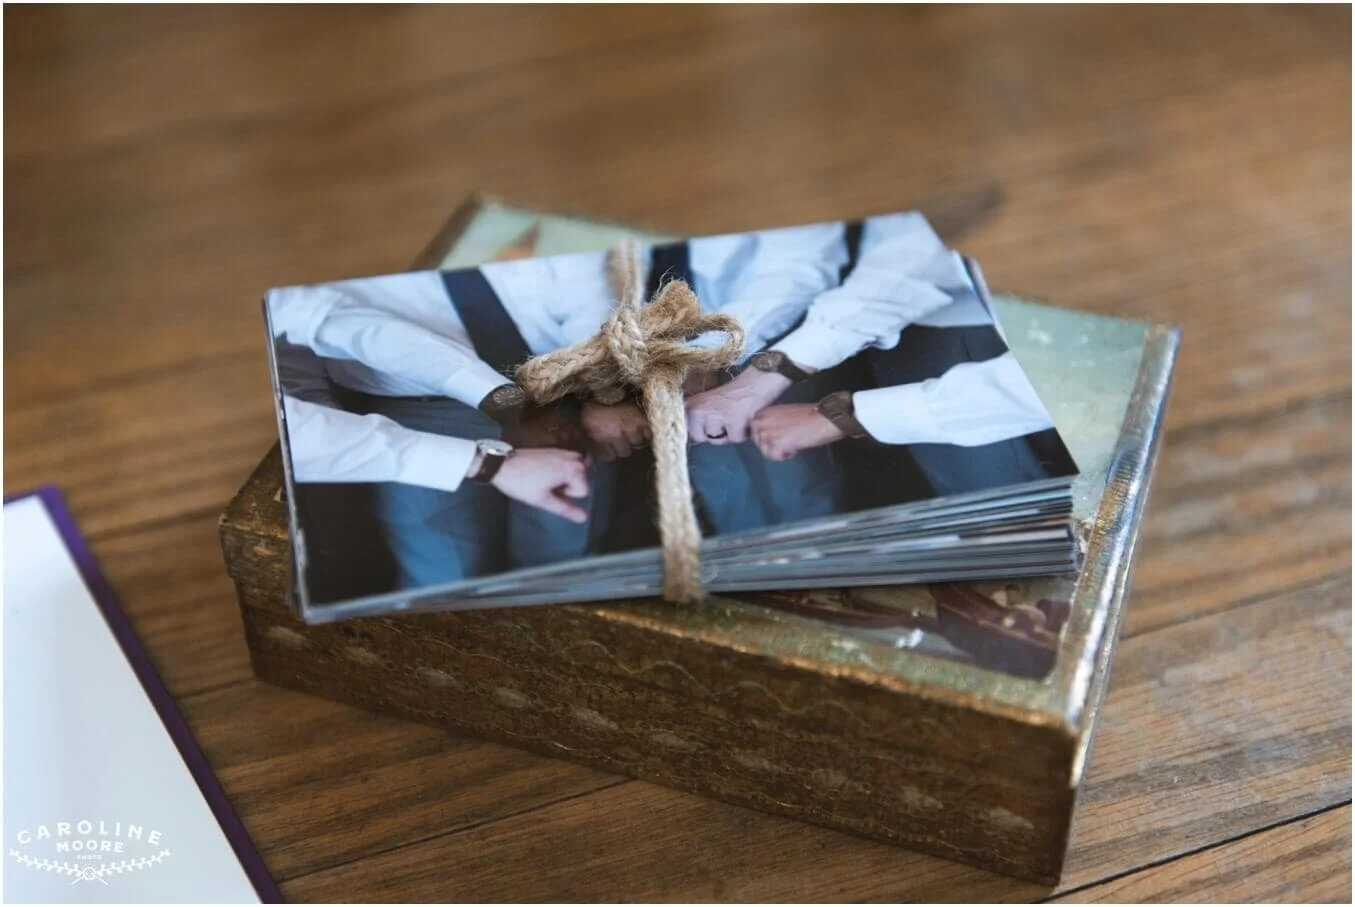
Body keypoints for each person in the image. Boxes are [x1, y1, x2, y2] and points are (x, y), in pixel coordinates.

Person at [267, 259, 616, 589]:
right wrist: (490, 461)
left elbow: (356, 330)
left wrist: (523, 407)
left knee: (558, 558)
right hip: (407, 413)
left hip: (544, 394)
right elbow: (302, 431)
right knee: (445, 575)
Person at [691, 212, 1075, 500]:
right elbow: (911, 258)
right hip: (892, 333)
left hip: (966, 339)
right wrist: (757, 376)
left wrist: (843, 414)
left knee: (998, 507)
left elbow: (1048, 388)